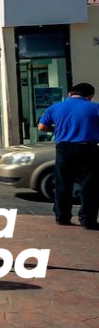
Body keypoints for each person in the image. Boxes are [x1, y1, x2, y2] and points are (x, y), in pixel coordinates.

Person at [37, 82, 99, 229]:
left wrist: (59, 127)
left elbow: (42, 127)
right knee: (89, 186)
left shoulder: (56, 107)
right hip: (88, 149)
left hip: (64, 149)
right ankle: (87, 219)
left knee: (63, 183)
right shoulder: (95, 107)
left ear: (70, 94)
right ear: (89, 96)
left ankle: (62, 216)